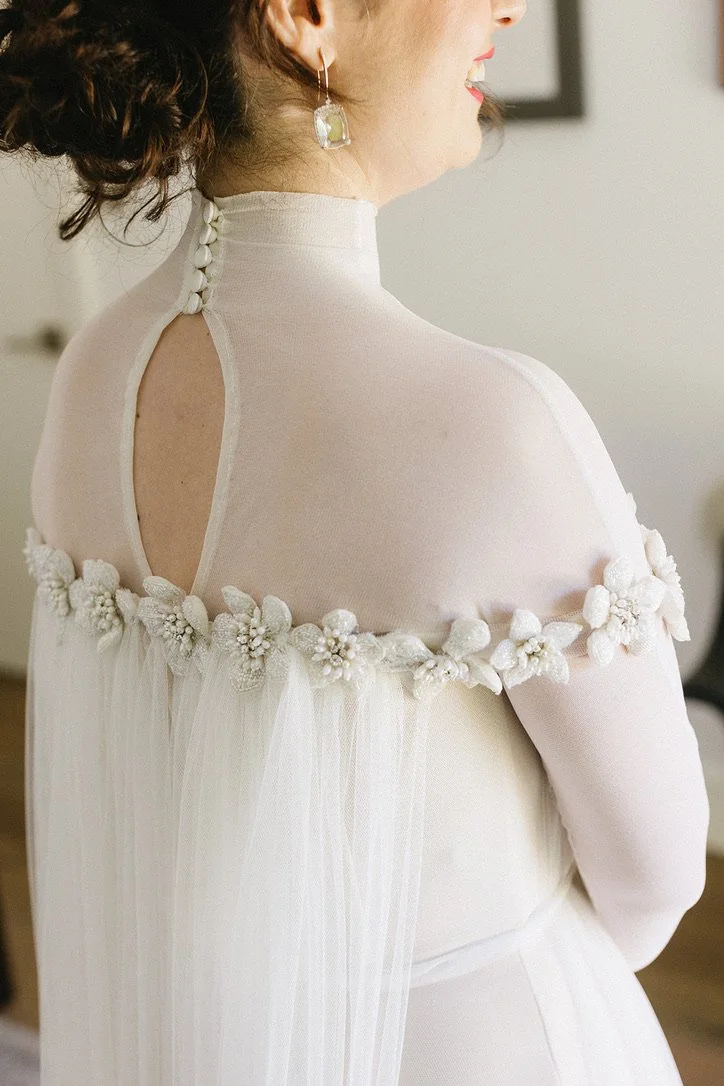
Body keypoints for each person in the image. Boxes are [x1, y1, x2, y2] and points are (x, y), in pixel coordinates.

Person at [1, 0, 709, 1082]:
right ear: (306, 17)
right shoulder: (495, 421)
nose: (505, 7)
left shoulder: (96, 370)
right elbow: (654, 880)